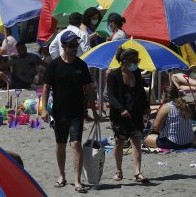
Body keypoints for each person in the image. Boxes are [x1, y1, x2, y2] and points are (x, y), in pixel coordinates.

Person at [41, 31, 99, 193]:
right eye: (72, 45)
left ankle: (77, 181)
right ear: (64, 46)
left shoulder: (81, 65)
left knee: (76, 144)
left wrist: (94, 111)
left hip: (76, 113)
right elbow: (46, 87)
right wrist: (44, 109)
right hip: (59, 112)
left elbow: (89, 90)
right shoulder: (54, 65)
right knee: (60, 144)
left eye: (76, 44)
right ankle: (61, 175)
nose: (75, 48)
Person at [107, 47, 150, 183]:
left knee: (136, 141)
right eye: (134, 60)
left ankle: (137, 172)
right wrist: (121, 109)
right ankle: (118, 170)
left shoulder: (136, 72)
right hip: (119, 115)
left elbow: (141, 91)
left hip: (136, 112)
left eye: (137, 60)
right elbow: (111, 95)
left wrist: (146, 106)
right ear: (124, 61)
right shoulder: (114, 75)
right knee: (119, 142)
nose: (136, 63)